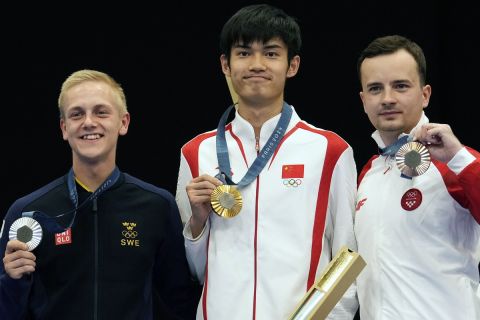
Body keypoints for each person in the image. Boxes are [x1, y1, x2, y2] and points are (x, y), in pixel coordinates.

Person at [175, 4, 358, 319]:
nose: (257, 64)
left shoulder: (330, 150)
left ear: (293, 65)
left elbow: (348, 259)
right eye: (244, 53)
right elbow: (193, 270)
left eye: (271, 53)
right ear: (225, 65)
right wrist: (197, 224)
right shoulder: (195, 152)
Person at [0, 69, 198, 319]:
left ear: (123, 122)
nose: (89, 122)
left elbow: (180, 304)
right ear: (64, 128)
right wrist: (13, 282)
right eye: (77, 114)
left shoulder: (157, 206)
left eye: (101, 112)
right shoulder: (27, 212)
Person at [355, 34, 480, 319]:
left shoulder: (458, 161)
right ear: (363, 101)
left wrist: (459, 157)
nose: (387, 99)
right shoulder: (368, 173)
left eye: (400, 86)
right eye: (375, 88)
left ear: (425, 94)